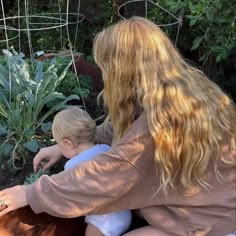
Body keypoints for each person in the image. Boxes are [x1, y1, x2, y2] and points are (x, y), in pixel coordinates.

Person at [0, 16, 235, 236]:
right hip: (218, 205)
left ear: (122, 70)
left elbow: (105, 177)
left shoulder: (159, 125)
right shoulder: (186, 90)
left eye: (105, 66)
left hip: (210, 222)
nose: (104, 74)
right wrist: (66, 146)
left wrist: (31, 194)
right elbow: (121, 133)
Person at [51, 107, 132, 236]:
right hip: (124, 213)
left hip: (102, 221)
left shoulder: (72, 166)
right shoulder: (107, 149)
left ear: (68, 143)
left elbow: (72, 197)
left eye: (60, 146)